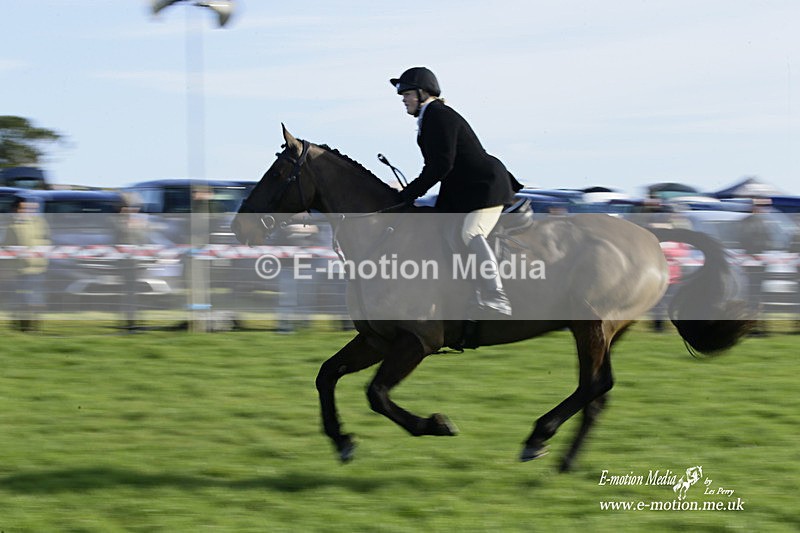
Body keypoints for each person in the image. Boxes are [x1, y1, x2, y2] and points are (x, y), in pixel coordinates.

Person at [390, 66, 523, 316]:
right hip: (464, 191)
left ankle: (497, 297)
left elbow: (440, 166)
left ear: (422, 93)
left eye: (406, 94)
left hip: (485, 188)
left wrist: (408, 194)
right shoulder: (429, 117)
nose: (403, 100)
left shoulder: (438, 115)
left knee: (471, 232)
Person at [2, 195, 50, 331]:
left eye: (29, 209)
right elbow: (7, 247)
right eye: (23, 209)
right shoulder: (11, 226)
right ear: (15, 209)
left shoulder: (39, 223)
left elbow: (46, 240)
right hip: (20, 270)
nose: (26, 211)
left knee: (35, 299)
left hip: (38, 268)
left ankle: (33, 327)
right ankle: (21, 326)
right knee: (22, 299)